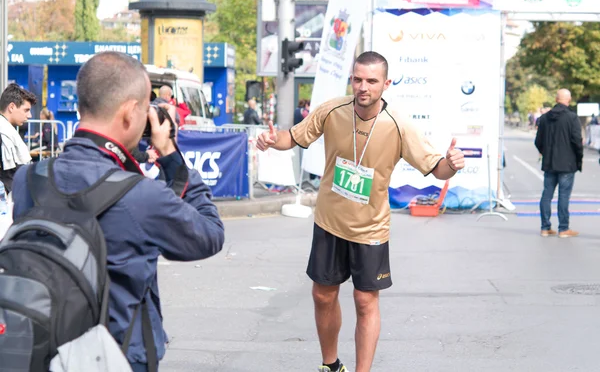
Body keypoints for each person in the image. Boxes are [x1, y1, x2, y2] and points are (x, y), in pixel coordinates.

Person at [11, 51, 225, 372]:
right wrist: (168, 152)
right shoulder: (139, 193)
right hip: (118, 356)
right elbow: (209, 235)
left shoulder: (29, 179)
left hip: (42, 348)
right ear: (129, 113)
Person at [256, 51, 465, 372]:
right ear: (351, 79)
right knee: (323, 296)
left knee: (365, 301)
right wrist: (273, 140)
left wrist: (451, 164)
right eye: (357, 79)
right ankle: (330, 365)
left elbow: (436, 169)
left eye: (371, 81)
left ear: (386, 83)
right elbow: (294, 137)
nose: (362, 87)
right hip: (329, 222)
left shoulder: (398, 125)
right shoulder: (332, 110)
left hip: (371, 229)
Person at [535, 88, 582, 238]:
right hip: (567, 164)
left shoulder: (544, 118)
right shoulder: (572, 118)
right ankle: (563, 228)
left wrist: (545, 152)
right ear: (569, 100)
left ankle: (545, 227)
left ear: (556, 99)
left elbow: (538, 141)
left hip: (549, 163)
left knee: (547, 194)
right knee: (563, 196)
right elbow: (577, 141)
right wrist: (578, 158)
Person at [0, 83, 36, 193]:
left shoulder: (8, 132)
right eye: (26, 110)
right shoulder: (3, 134)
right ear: (11, 107)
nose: (29, 115)